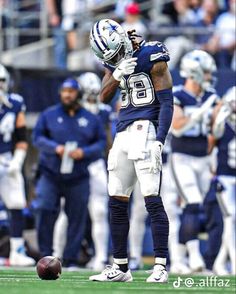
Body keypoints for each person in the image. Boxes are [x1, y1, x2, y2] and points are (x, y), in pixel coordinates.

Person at [89, 18, 173, 283]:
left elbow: (167, 102)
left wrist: (160, 139)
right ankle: (120, 267)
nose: (115, 58)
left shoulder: (152, 53)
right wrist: (116, 73)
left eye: (115, 53)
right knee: (116, 200)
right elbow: (103, 96)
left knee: (151, 199)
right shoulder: (114, 62)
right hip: (122, 133)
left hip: (146, 130)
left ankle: (160, 265)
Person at [32, 78, 106, 267]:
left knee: (77, 216)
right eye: (64, 90)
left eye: (71, 91)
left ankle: (71, 259)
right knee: (44, 209)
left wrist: (84, 152)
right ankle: (44, 255)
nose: (67, 94)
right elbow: (37, 137)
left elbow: (100, 144)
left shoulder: (91, 118)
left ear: (78, 94)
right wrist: (54, 148)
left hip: (78, 175)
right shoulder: (49, 115)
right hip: (50, 173)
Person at [170, 50, 219, 272]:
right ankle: (194, 255)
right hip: (182, 159)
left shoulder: (211, 96)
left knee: (193, 208)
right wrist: (199, 114)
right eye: (207, 72)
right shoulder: (178, 95)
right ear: (195, 72)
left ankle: (179, 260)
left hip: (204, 159)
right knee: (192, 203)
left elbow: (216, 131)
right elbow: (178, 128)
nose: (209, 76)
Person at [0, 64, 35, 266]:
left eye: (1, 82)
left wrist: (17, 161)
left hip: (6, 158)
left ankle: (17, 250)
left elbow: (21, 138)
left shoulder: (14, 103)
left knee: (16, 203)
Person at [212, 86, 236, 275]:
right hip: (225, 177)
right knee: (231, 217)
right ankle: (234, 263)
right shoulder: (222, 121)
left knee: (232, 220)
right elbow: (214, 139)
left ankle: (220, 263)